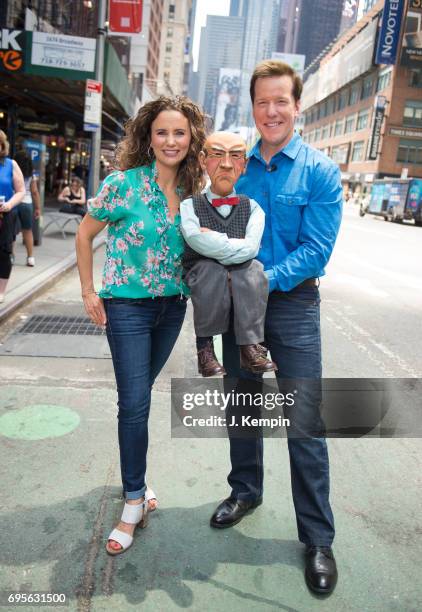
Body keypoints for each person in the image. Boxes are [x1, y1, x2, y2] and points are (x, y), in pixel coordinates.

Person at [209, 60, 343, 596]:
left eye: (280, 101)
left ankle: (317, 538)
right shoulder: (233, 164)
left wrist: (260, 279)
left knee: (304, 424)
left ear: (296, 105)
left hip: (293, 308)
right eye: (262, 101)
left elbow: (317, 250)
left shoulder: (318, 171)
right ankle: (246, 490)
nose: (271, 111)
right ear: (253, 106)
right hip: (237, 310)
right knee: (241, 406)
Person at [76, 96, 206, 555]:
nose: (171, 141)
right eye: (162, 132)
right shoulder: (122, 185)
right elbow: (85, 234)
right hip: (127, 309)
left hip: (172, 309)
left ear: (191, 141)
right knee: (133, 403)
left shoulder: (195, 193)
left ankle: (138, 481)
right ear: (148, 138)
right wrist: (90, 291)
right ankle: (134, 502)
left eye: (180, 133)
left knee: (140, 396)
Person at [180, 130, 276, 377]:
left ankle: (249, 346)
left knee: (254, 268)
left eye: (235, 156)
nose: (225, 164)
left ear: (243, 164)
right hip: (202, 277)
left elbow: (252, 248)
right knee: (210, 269)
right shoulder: (190, 205)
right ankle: (205, 348)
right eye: (217, 155)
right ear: (203, 160)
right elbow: (194, 239)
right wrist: (235, 249)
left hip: (242, 278)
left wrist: (213, 240)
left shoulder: (253, 208)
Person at [0, 131, 25, 303]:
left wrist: (9, 204)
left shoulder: (11, 164)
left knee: (3, 252)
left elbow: (21, 190)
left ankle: (1, 291)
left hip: (5, 215)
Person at [13, 149, 41, 267]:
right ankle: (30, 258)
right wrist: (37, 208)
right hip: (27, 203)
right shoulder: (31, 173)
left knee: (12, 231)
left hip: (13, 202)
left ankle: (11, 256)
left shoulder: (12, 170)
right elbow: (34, 192)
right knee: (28, 231)